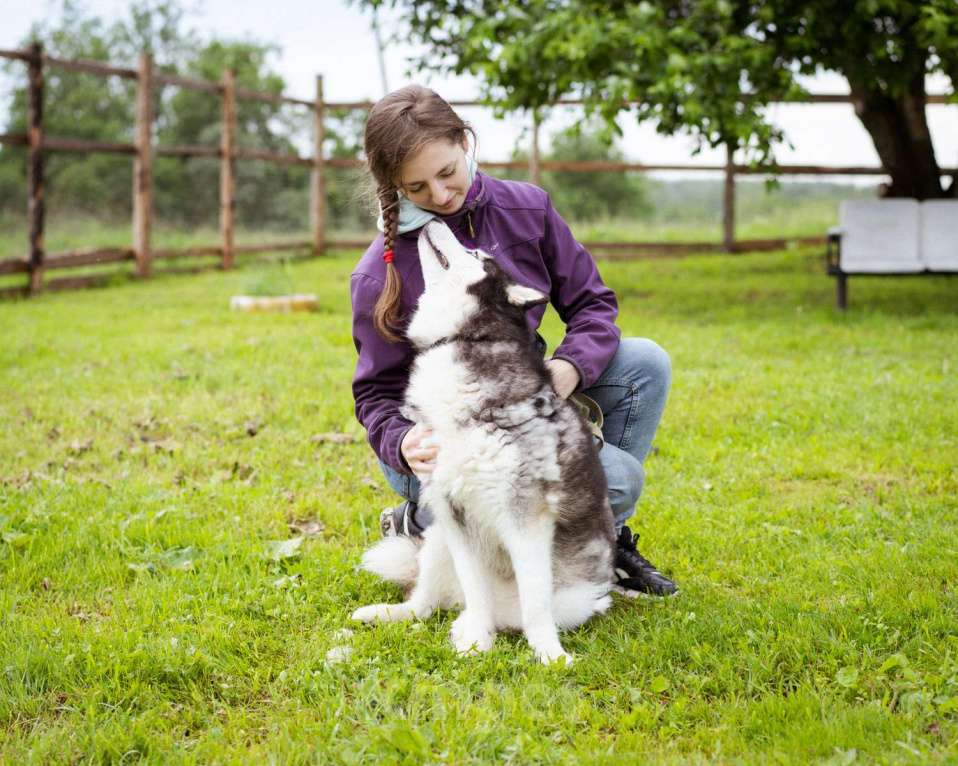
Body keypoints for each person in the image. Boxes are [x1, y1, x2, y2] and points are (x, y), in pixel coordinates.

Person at [350, 85, 677, 597]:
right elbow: (374, 394)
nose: (438, 196)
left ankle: (607, 542)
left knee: (645, 363)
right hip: (444, 446)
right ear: (392, 185)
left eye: (446, 173)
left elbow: (594, 305)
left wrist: (569, 366)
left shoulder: (527, 209)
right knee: (614, 481)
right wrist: (402, 442)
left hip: (527, 404)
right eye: (415, 188)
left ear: (464, 140)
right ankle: (424, 518)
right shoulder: (378, 274)